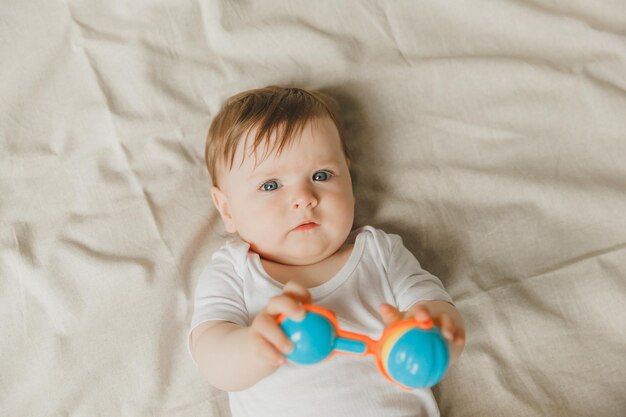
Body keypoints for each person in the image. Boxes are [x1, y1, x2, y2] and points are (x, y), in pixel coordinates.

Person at [189, 85, 465, 417]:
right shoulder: (233, 271)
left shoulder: (380, 253)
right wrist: (255, 347)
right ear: (227, 209)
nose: (304, 197)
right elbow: (212, 357)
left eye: (322, 175)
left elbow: (435, 306)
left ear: (350, 181)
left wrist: (434, 329)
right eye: (270, 185)